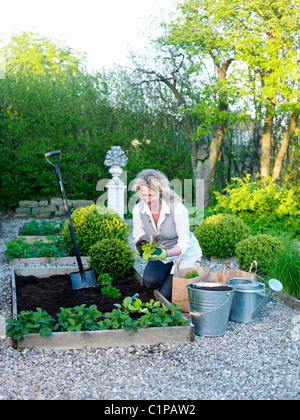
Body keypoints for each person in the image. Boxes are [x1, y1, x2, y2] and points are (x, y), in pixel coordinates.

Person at [132, 169, 202, 302]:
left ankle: (186, 274)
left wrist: (164, 254)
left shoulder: (177, 209)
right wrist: (139, 246)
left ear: (160, 192)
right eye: (143, 195)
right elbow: (138, 235)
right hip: (161, 252)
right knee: (149, 282)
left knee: (165, 295)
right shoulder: (138, 209)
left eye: (151, 195)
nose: (147, 199)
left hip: (184, 255)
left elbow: (184, 243)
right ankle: (168, 272)